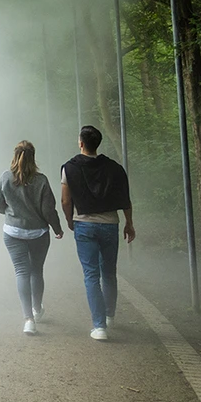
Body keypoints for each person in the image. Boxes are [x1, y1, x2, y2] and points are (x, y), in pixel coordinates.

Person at [60, 125, 134, 341]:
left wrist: (69, 219)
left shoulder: (69, 168)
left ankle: (99, 326)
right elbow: (125, 198)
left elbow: (65, 200)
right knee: (109, 272)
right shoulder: (114, 168)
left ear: (81, 143)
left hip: (84, 225)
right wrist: (129, 223)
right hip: (110, 224)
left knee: (91, 275)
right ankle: (109, 316)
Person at [0, 140, 64, 335]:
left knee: (21, 272)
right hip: (38, 233)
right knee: (36, 271)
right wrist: (57, 228)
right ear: (33, 157)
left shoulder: (5, 177)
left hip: (13, 232)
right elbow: (48, 210)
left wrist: (12, 212)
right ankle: (37, 309)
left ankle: (28, 320)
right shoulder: (41, 180)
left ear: (14, 156)